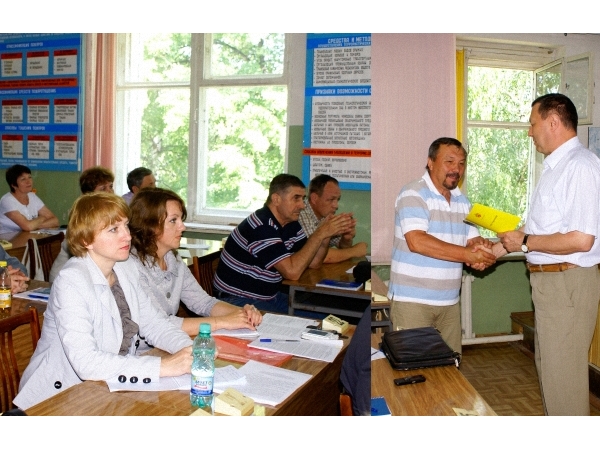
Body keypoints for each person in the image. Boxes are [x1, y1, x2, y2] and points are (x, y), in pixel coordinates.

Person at [13, 192, 193, 411]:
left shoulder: (125, 266)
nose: (127, 236)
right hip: (61, 397)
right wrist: (163, 366)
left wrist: (191, 350)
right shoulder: (72, 280)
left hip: (109, 387)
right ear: (86, 240)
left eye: (126, 226)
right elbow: (87, 363)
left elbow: (154, 324)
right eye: (113, 229)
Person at [496, 93, 600, 416]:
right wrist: (496, 248)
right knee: (552, 373)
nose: (529, 132)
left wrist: (525, 240)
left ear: (553, 122)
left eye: (532, 124)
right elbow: (541, 228)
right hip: (551, 284)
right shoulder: (555, 167)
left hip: (566, 281)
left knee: (564, 383)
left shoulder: (580, 166)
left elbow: (582, 239)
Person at [387, 137, 496, 355]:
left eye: (462, 163)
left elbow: (472, 241)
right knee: (415, 371)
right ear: (430, 162)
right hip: (412, 303)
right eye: (450, 161)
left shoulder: (463, 201)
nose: (457, 169)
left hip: (449, 303)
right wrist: (469, 255)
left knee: (450, 369)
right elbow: (417, 241)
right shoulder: (413, 193)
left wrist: (481, 248)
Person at [128, 187, 262, 338]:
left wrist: (242, 312)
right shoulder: (132, 267)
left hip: (169, 343)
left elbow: (203, 303)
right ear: (149, 226)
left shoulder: (173, 260)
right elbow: (160, 324)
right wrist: (222, 322)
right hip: (144, 354)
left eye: (180, 219)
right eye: (173, 220)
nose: (182, 227)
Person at [213, 173, 354, 314]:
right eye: (296, 198)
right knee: (307, 326)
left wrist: (326, 236)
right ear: (276, 199)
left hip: (268, 297)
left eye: (303, 198)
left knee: (325, 320)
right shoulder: (261, 226)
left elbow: (314, 263)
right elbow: (292, 273)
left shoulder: (290, 223)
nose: (303, 205)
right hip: (236, 301)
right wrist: (319, 234)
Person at [49, 166, 115, 282]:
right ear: (88, 193)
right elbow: (75, 247)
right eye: (103, 188)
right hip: (67, 276)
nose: (110, 191)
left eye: (110, 186)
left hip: (91, 274)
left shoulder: (108, 212)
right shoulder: (81, 213)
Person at [298, 174, 368, 263]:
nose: (336, 206)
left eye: (337, 200)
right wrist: (355, 251)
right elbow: (314, 256)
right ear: (314, 198)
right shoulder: (301, 214)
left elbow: (342, 248)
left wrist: (346, 238)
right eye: (331, 199)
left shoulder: (324, 217)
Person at [0, 164, 59, 232]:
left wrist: (34, 225)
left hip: (28, 237)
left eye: (29, 177)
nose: (28, 182)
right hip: (9, 240)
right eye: (23, 179)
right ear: (13, 185)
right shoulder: (7, 201)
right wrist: (42, 217)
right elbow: (28, 227)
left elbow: (55, 221)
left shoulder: (32, 196)